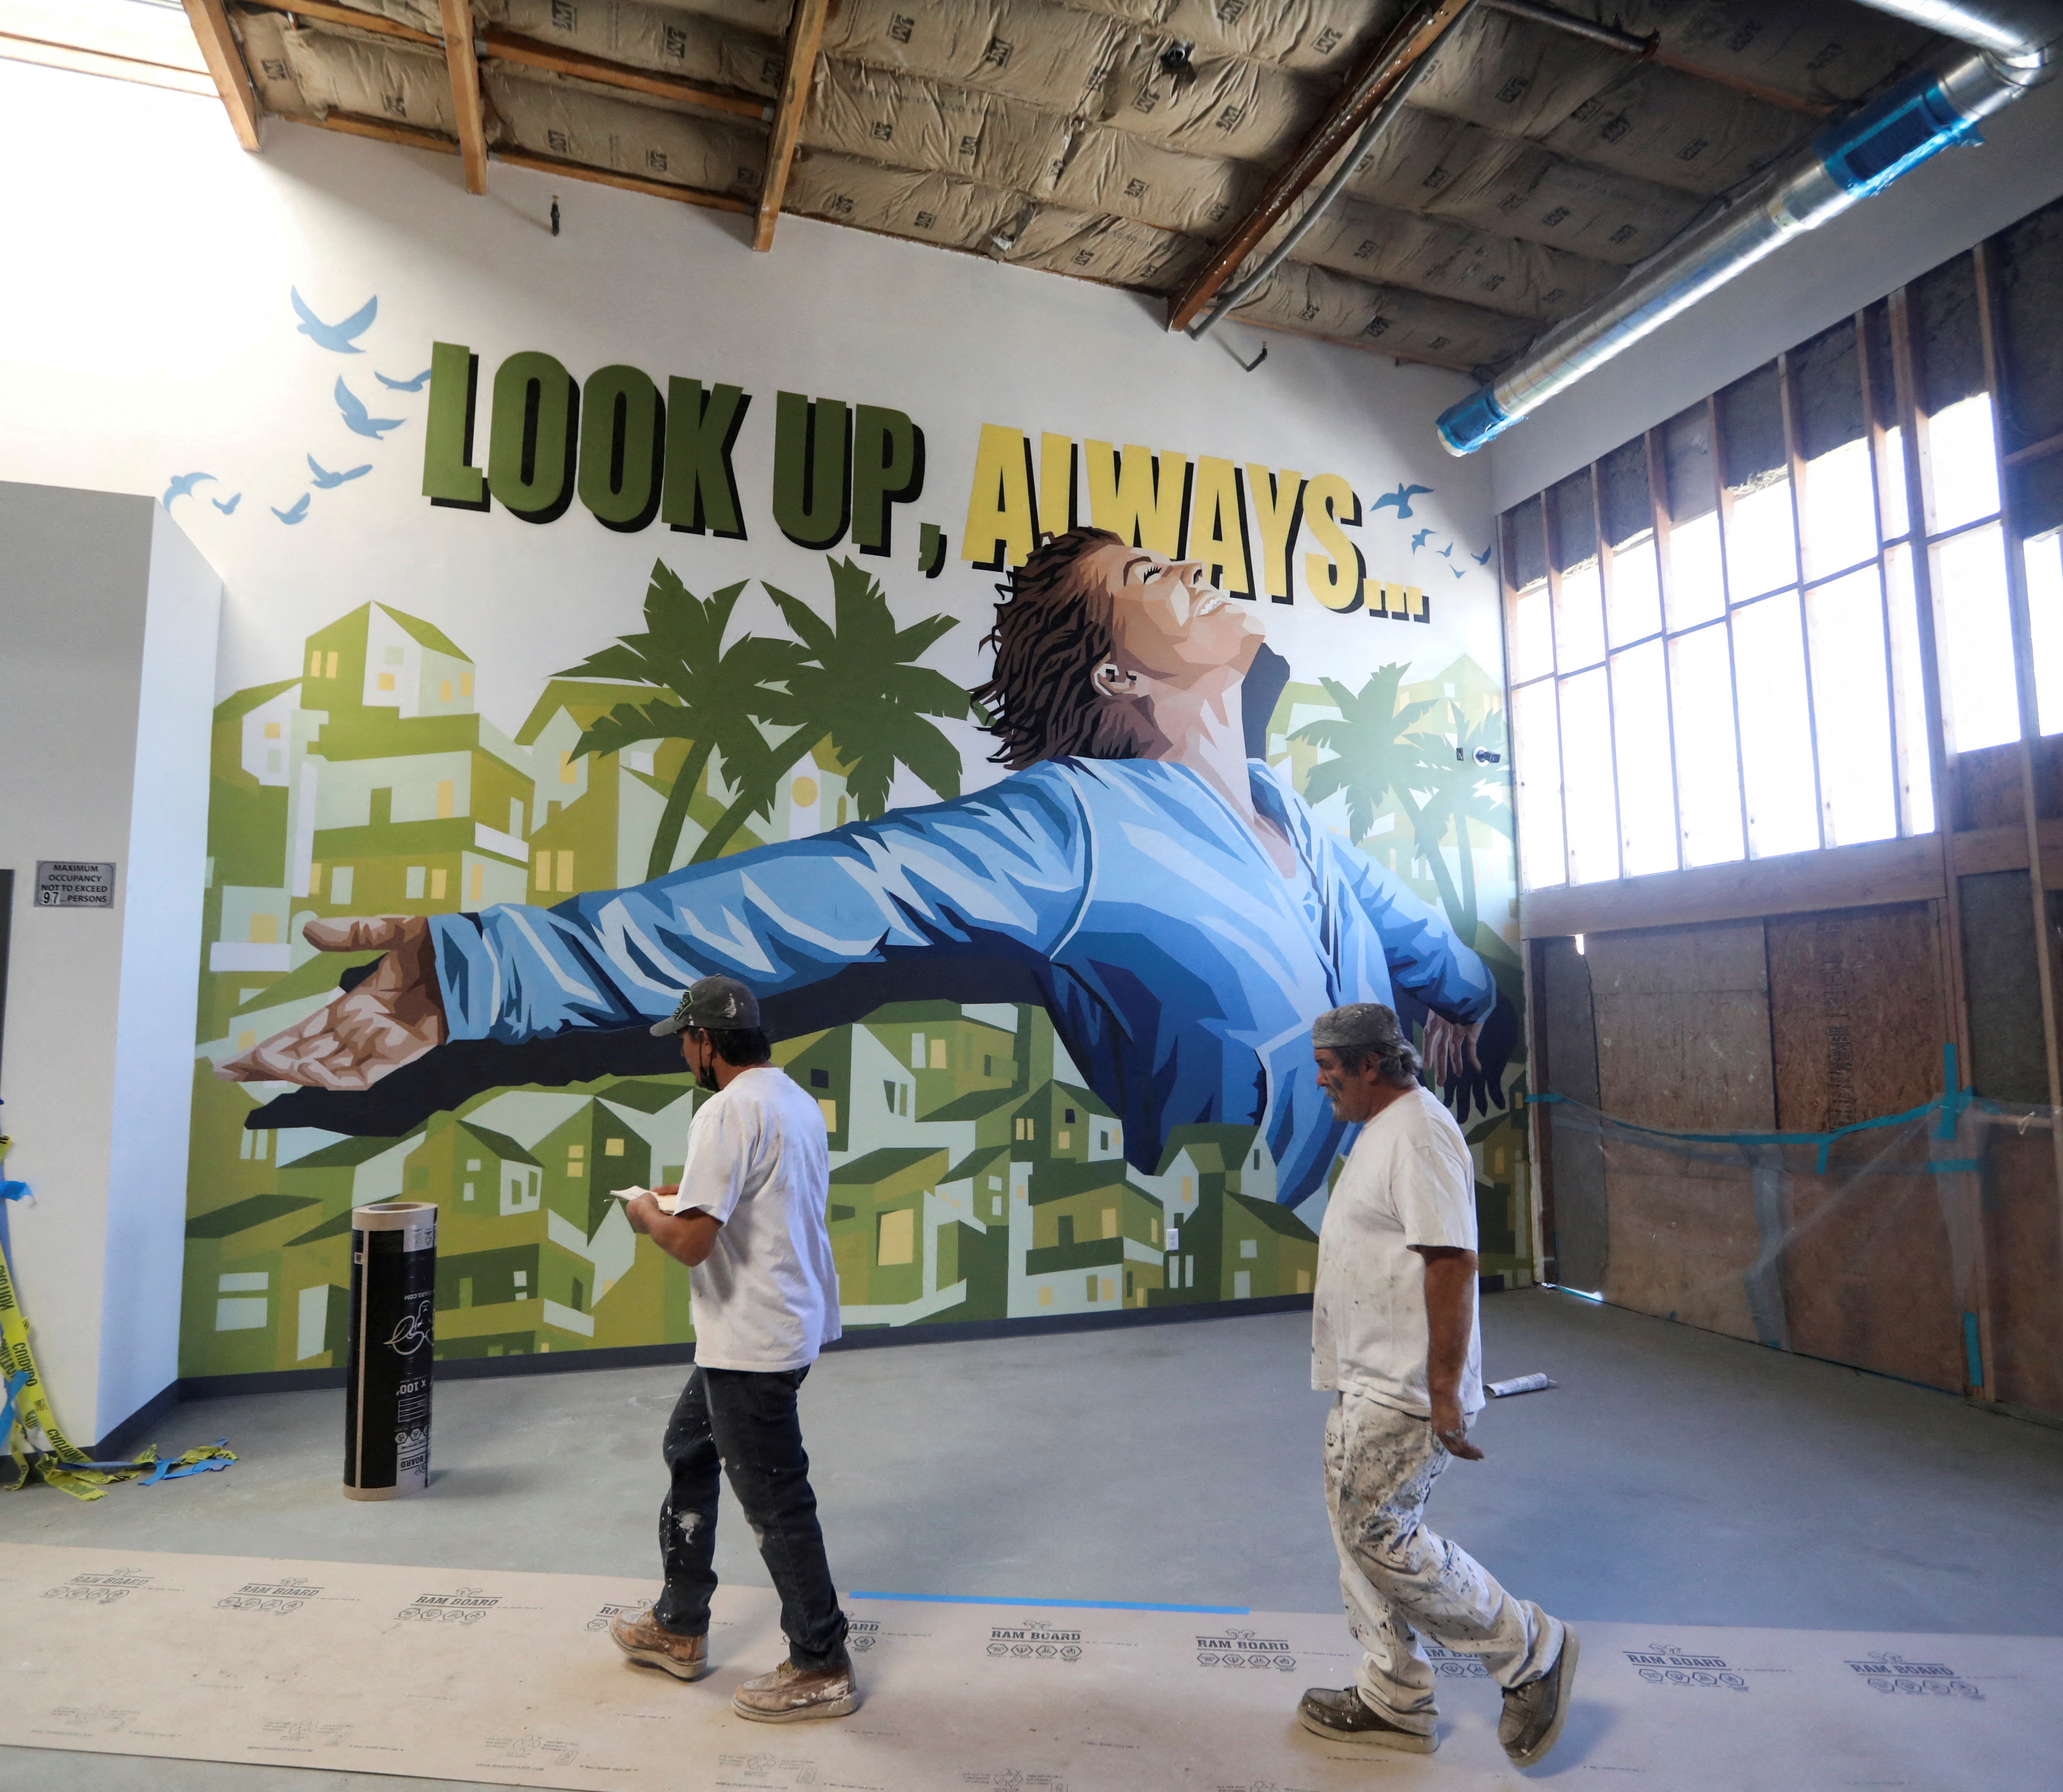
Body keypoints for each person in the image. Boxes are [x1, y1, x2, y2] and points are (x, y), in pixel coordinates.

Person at [222, 529, 1497, 1210]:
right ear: (1118, 674)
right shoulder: (1073, 829)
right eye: (1150, 579)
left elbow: (1419, 933)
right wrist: (474, 967)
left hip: (1393, 1211)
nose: (1194, 572)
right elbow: (808, 897)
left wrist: (1470, 1003)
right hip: (1298, 1225)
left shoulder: (1295, 815)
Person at [1298, 1002, 1576, 1766]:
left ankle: (1531, 1650)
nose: (1320, 1077)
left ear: (1371, 1066)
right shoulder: (1382, 1132)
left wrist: (1446, 1388)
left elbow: (1451, 1260)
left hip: (1407, 1387)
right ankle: (1395, 1695)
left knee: (1380, 1534)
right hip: (1365, 1379)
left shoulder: (1418, 1132)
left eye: (1330, 1064)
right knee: (1356, 1533)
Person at [602, 974, 856, 1724]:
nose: (683, 1051)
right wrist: (683, 1189)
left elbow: (690, 1242)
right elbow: (760, 1190)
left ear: (706, 1041)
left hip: (752, 1337)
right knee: (688, 1445)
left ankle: (821, 1661)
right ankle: (679, 1625)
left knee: (776, 1499)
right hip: (780, 1321)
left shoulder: (724, 1110)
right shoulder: (789, 1099)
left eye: (684, 1039)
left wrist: (648, 1211)